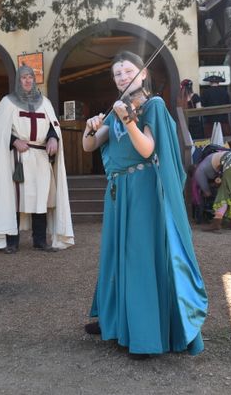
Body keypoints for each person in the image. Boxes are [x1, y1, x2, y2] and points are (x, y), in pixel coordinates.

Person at [82, 51, 207, 357]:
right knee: (116, 253)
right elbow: (90, 145)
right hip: (118, 192)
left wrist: (130, 122)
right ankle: (114, 319)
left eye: (127, 71)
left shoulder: (153, 105)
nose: (123, 77)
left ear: (142, 74)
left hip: (142, 190)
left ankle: (145, 333)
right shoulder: (115, 112)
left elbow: (148, 149)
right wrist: (89, 127)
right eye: (117, 74)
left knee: (138, 257)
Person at [0, 65, 74, 253]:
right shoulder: (7, 103)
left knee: (42, 200)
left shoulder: (45, 103)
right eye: (24, 77)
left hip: (40, 158)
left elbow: (52, 126)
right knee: (13, 199)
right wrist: (14, 141)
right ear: (18, 80)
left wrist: (53, 137)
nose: (28, 80)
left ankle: (39, 241)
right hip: (18, 160)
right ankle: (12, 242)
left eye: (31, 76)